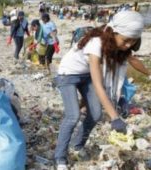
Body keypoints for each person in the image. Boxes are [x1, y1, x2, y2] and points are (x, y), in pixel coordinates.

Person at [53, 11, 144, 170]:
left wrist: (149, 73)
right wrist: (115, 117)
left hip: (85, 76)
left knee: (95, 114)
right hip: (68, 75)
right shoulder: (96, 43)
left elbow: (132, 59)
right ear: (114, 32)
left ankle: (77, 145)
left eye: (133, 41)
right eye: (126, 40)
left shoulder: (117, 45)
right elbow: (98, 84)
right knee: (73, 116)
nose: (128, 45)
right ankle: (60, 157)